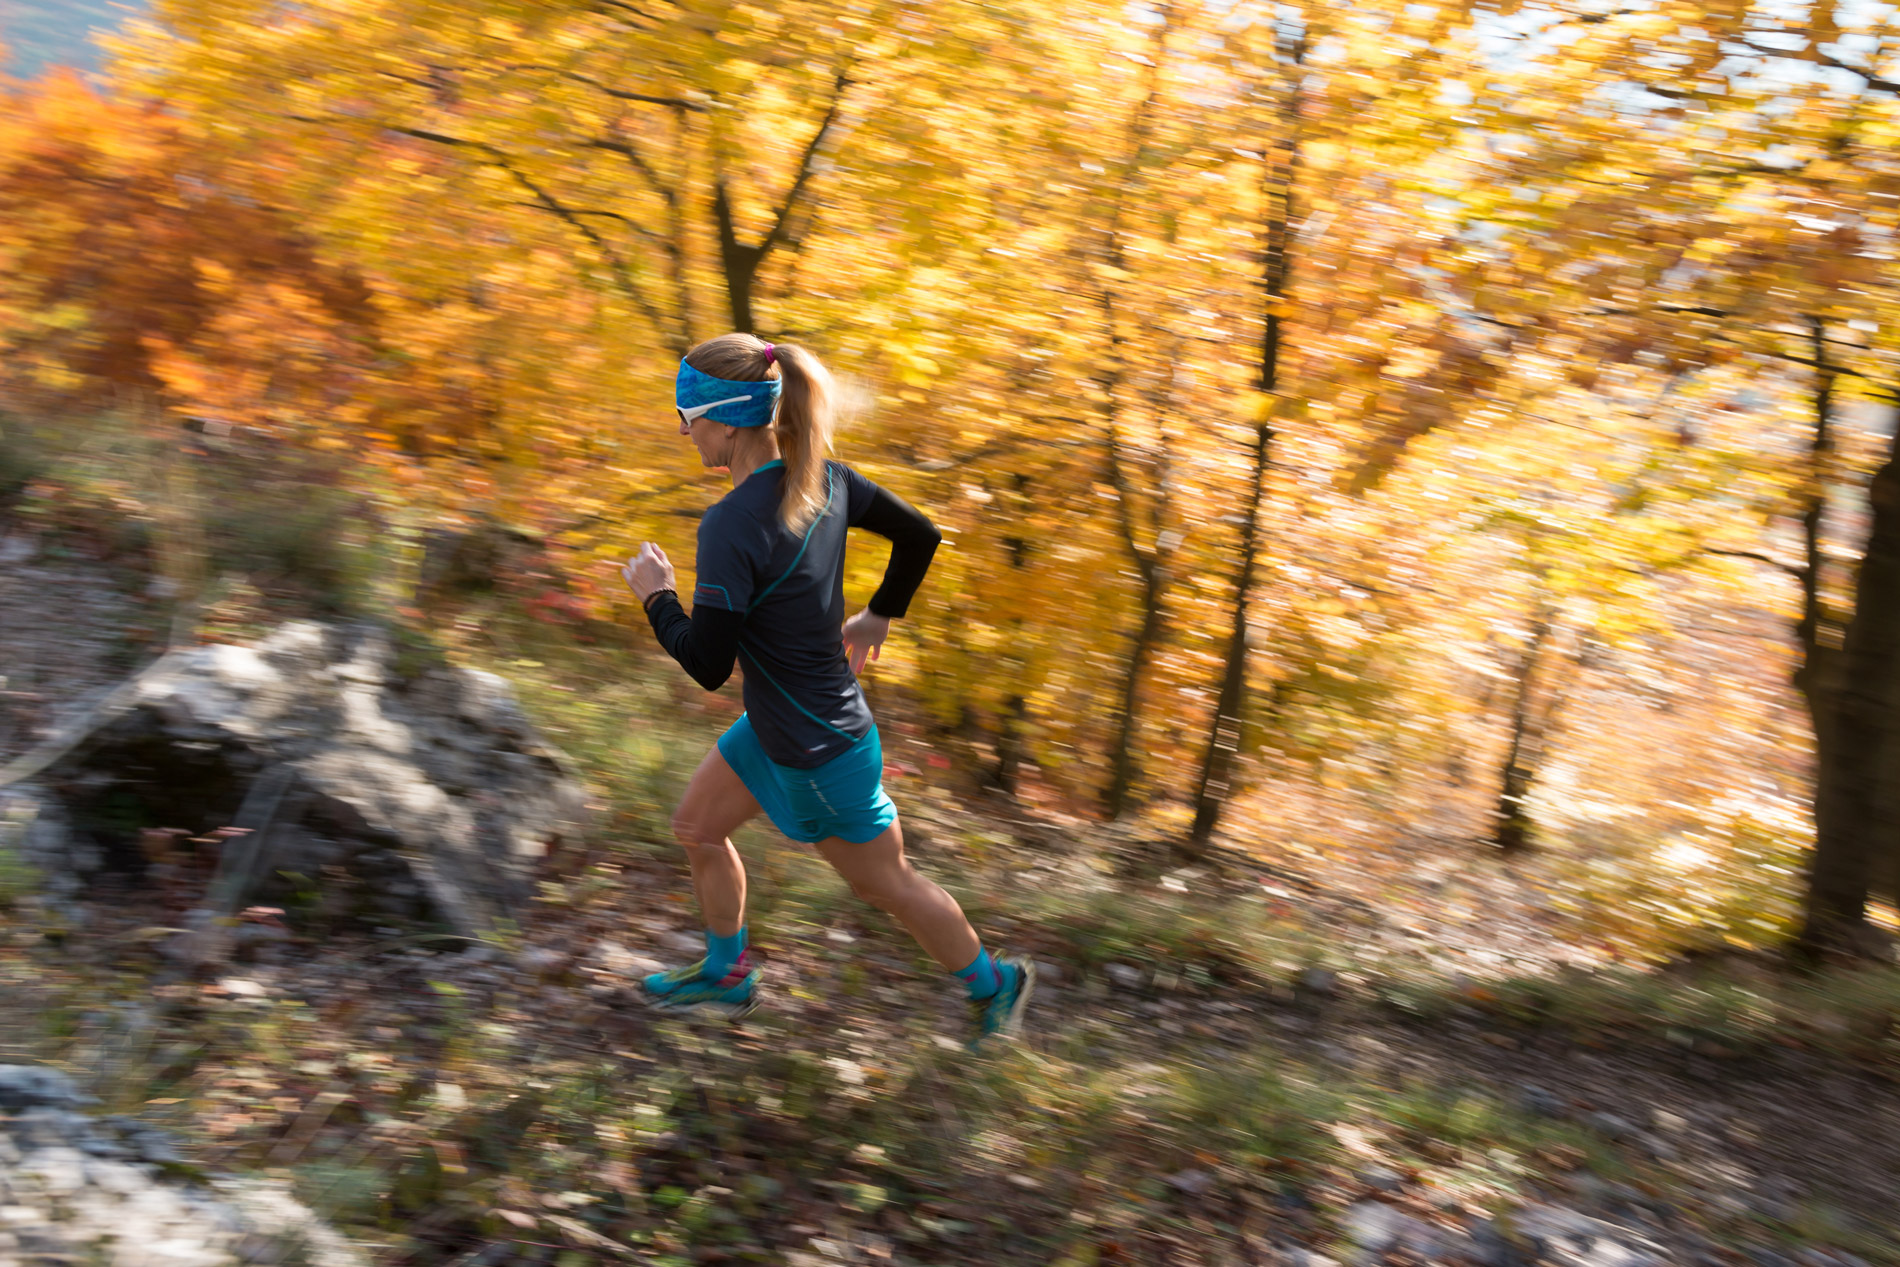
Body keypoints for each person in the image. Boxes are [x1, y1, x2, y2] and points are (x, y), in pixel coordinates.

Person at [619, 332, 1034, 1043]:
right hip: (784, 724)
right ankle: (726, 975)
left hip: (814, 750)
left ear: (722, 420)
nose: (683, 431)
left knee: (886, 884)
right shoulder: (827, 480)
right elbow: (920, 536)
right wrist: (879, 614)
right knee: (696, 827)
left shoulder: (731, 525)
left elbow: (708, 664)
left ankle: (997, 986)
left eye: (686, 416)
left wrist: (657, 596)